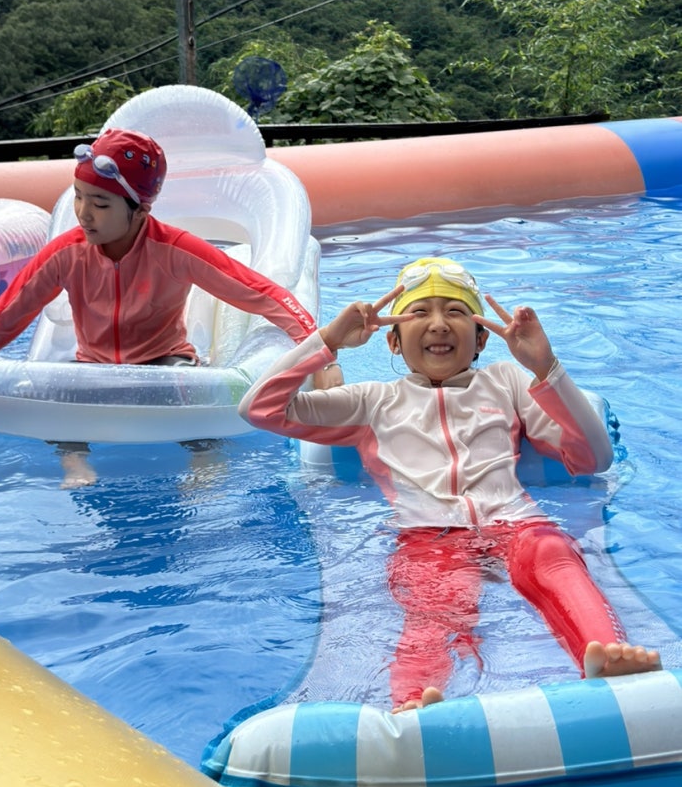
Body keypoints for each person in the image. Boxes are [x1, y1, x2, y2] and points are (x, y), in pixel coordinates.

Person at [239, 255, 662, 711]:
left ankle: (607, 655)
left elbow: (594, 458)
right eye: (420, 312)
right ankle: (414, 701)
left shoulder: (507, 382)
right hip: (429, 536)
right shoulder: (372, 401)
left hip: (516, 522)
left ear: (481, 338)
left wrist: (546, 368)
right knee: (431, 603)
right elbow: (258, 409)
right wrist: (329, 341)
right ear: (393, 341)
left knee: (554, 555)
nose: (439, 324)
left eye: (456, 312)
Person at [0, 127, 334, 487]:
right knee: (55, 396)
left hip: (163, 363)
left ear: (141, 210)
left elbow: (260, 292)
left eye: (100, 203)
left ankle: (205, 458)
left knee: (193, 392)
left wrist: (323, 354)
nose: (83, 213)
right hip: (93, 368)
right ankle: (75, 462)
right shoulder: (65, 255)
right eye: (78, 196)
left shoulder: (173, 249)